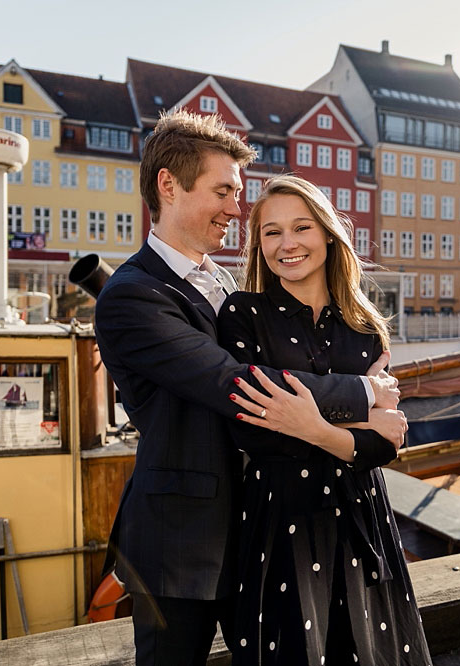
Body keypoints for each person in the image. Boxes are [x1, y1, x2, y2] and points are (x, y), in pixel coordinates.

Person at [94, 111, 401, 666]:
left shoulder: (224, 286)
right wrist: (363, 393)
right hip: (181, 542)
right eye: (223, 191)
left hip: (258, 527)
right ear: (169, 184)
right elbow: (234, 383)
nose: (236, 208)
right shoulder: (131, 295)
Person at [219, 175, 431, 665]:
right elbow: (254, 428)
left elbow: (387, 443)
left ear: (329, 236)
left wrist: (311, 426)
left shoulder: (364, 325)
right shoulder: (243, 313)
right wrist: (347, 425)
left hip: (361, 517)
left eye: (301, 227)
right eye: (271, 233)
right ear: (258, 245)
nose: (287, 244)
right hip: (281, 521)